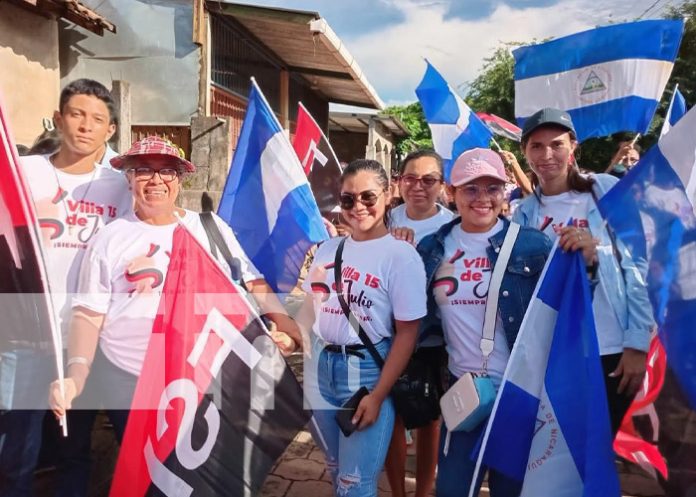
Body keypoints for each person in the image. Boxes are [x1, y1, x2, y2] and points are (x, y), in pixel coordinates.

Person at [47, 136, 300, 496]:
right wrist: (76, 374)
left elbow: (251, 282)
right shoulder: (110, 238)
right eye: (143, 171)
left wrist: (285, 329)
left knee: (200, 471)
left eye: (166, 171)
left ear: (180, 179)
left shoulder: (209, 228)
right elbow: (89, 314)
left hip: (202, 375)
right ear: (128, 179)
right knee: (149, 472)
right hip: (131, 381)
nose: (155, 181)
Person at [1, 78, 132, 497]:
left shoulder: (122, 182)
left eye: (98, 119)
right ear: (59, 118)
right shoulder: (26, 172)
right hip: (26, 331)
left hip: (86, 336)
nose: (85, 126)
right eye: (76, 114)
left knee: (73, 446)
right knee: (14, 445)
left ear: (110, 129)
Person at [509, 107, 654, 435]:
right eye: (536, 146)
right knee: (564, 456)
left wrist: (637, 342)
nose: (547, 155)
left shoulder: (604, 189)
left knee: (602, 456)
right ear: (525, 153)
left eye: (557, 144)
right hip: (556, 354)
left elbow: (637, 265)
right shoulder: (523, 216)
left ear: (573, 147)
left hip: (610, 350)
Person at [417, 148, 551, 497]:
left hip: (518, 393)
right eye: (470, 188)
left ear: (505, 192)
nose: (483, 198)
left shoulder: (533, 246)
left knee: (511, 491)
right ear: (451, 192)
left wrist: (589, 261)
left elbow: (566, 309)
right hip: (463, 390)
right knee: (453, 489)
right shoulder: (431, 248)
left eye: (492, 188)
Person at [297, 159, 427, 497]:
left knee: (355, 483)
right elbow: (310, 308)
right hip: (323, 368)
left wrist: (379, 394)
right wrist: (293, 334)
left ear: (388, 195)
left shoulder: (400, 256)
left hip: (368, 371)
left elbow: (407, 333)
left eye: (368, 197)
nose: (358, 207)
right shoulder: (327, 249)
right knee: (337, 469)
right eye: (348, 199)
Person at [385, 150, 453, 497]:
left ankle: (424, 491)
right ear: (399, 182)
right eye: (410, 178)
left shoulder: (453, 226)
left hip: (434, 338)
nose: (418, 187)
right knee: (391, 418)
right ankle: (399, 491)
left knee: (430, 420)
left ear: (442, 185)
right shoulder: (383, 216)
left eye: (429, 180)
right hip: (388, 335)